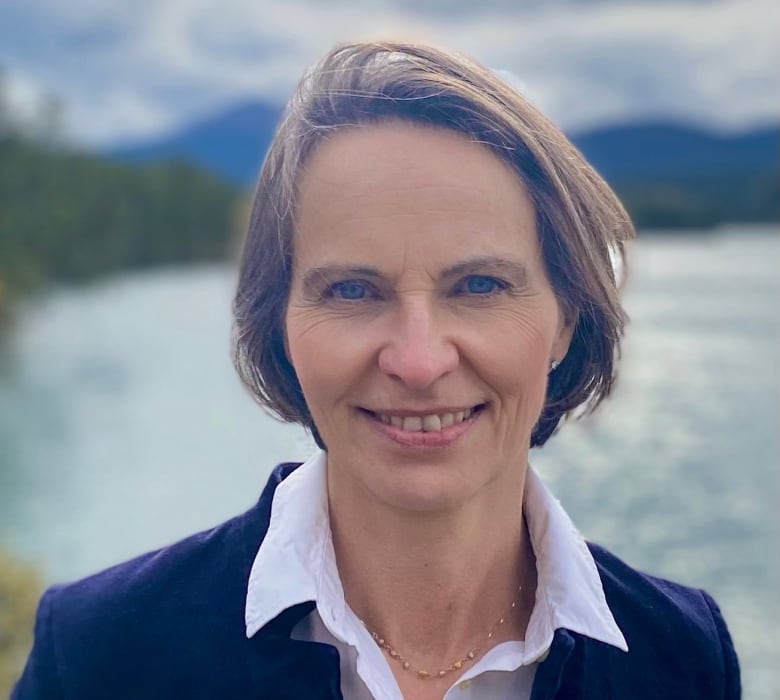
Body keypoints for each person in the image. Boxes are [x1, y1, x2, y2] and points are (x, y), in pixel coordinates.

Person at [13, 41, 740, 700]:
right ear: (280, 327)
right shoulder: (100, 655)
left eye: (480, 285)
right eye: (353, 291)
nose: (419, 362)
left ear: (567, 319)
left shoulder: (680, 655)